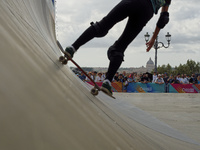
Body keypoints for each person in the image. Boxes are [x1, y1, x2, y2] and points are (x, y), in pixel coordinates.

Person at [64, 0, 171, 96]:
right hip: (146, 12)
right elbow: (163, 18)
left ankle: (72, 48)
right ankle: (108, 82)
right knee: (120, 47)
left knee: (102, 26)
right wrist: (153, 38)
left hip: (132, 2)